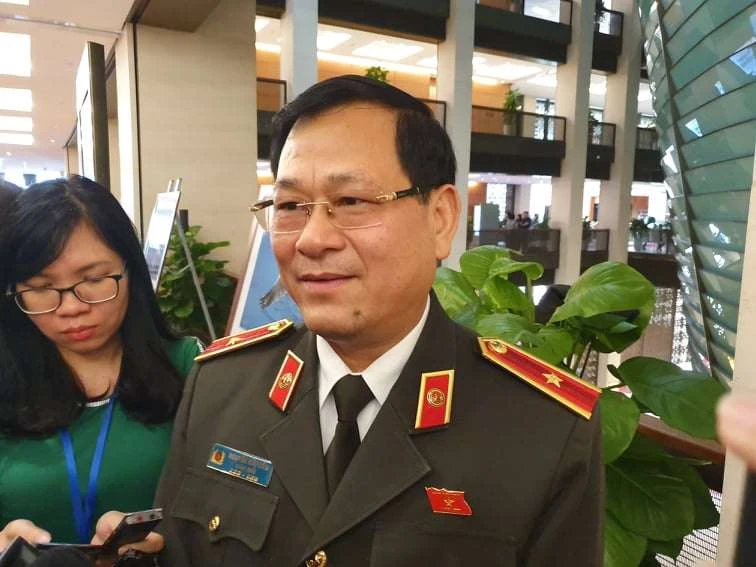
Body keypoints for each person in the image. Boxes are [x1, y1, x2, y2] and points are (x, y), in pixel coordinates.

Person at [154, 75, 603, 566]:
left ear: (440, 218)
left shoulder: (544, 431)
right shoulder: (218, 388)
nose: (311, 239)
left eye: (351, 202)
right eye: (290, 206)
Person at [0, 176, 201, 554]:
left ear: (131, 271)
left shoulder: (191, 367)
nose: (71, 307)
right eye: (41, 288)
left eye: (93, 279)